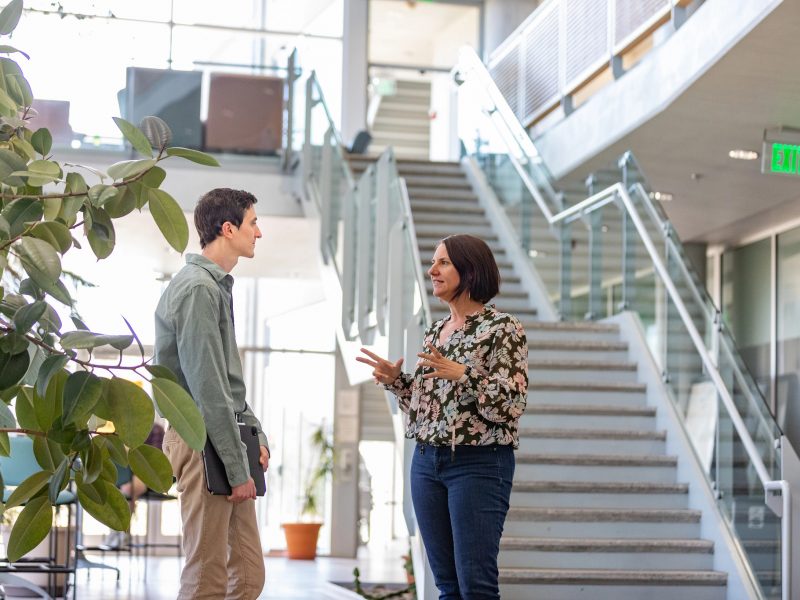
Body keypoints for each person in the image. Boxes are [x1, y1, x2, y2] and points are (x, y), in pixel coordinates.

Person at [357, 234, 528, 600]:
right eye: (434, 263)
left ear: (469, 271)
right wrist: (397, 382)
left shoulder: (502, 328)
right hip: (426, 461)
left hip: (478, 463)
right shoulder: (437, 330)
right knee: (446, 586)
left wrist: (464, 374)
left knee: (476, 586)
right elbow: (426, 409)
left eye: (443, 263)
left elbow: (511, 404)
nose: (432, 270)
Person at [155, 188, 269, 600]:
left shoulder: (215, 287)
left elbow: (227, 381)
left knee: (249, 574)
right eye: (253, 223)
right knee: (207, 578)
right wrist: (236, 470)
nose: (258, 232)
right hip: (201, 438)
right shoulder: (198, 290)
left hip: (224, 439)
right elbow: (206, 388)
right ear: (228, 228)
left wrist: (255, 436)